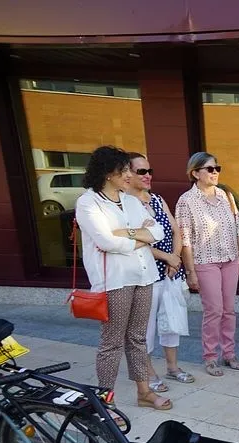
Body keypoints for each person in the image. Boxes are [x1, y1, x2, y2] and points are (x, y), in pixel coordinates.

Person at [74, 146, 169, 410]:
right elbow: (106, 241)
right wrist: (138, 236)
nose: (129, 175)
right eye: (124, 170)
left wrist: (124, 234)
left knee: (138, 338)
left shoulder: (130, 200)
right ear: (107, 172)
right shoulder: (88, 202)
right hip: (115, 280)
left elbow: (158, 231)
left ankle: (144, 392)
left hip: (144, 274)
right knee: (112, 342)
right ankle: (105, 402)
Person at [126, 152, 194, 392]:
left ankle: (172, 367)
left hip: (170, 271)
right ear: (127, 174)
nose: (147, 176)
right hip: (146, 274)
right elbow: (139, 240)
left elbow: (175, 230)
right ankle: (149, 373)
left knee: (171, 320)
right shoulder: (125, 204)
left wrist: (175, 260)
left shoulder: (156, 199)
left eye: (149, 171)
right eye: (141, 172)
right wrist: (168, 257)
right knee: (146, 328)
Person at [177, 152, 239, 377]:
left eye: (217, 168)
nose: (215, 172)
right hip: (204, 261)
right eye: (209, 169)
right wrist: (190, 272)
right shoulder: (186, 201)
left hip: (229, 259)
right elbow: (185, 240)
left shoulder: (225, 196)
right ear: (195, 173)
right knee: (214, 310)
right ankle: (210, 357)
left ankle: (229, 353)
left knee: (229, 310)